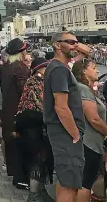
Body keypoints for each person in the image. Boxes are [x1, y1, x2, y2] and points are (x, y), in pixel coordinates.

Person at [43, 31, 85, 202]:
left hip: (63, 133)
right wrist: (75, 134)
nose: (75, 45)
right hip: (65, 134)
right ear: (57, 45)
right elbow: (61, 106)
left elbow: (85, 52)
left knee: (67, 181)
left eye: (76, 42)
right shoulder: (59, 69)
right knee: (70, 185)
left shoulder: (59, 67)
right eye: (70, 42)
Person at [15, 58, 54, 202]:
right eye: (45, 67)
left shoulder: (40, 82)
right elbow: (41, 104)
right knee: (37, 159)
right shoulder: (35, 83)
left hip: (37, 125)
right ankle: (33, 194)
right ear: (39, 69)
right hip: (32, 126)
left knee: (43, 159)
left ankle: (41, 190)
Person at [72, 59, 107, 202]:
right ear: (83, 70)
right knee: (85, 183)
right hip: (89, 142)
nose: (97, 70)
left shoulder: (85, 88)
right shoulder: (83, 89)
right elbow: (94, 119)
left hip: (92, 142)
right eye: (93, 67)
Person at [0, 38, 30, 189]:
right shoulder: (20, 68)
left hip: (7, 111)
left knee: (12, 144)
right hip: (19, 112)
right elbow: (25, 92)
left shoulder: (4, 67)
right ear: (22, 52)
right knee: (21, 145)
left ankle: (16, 176)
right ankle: (21, 177)